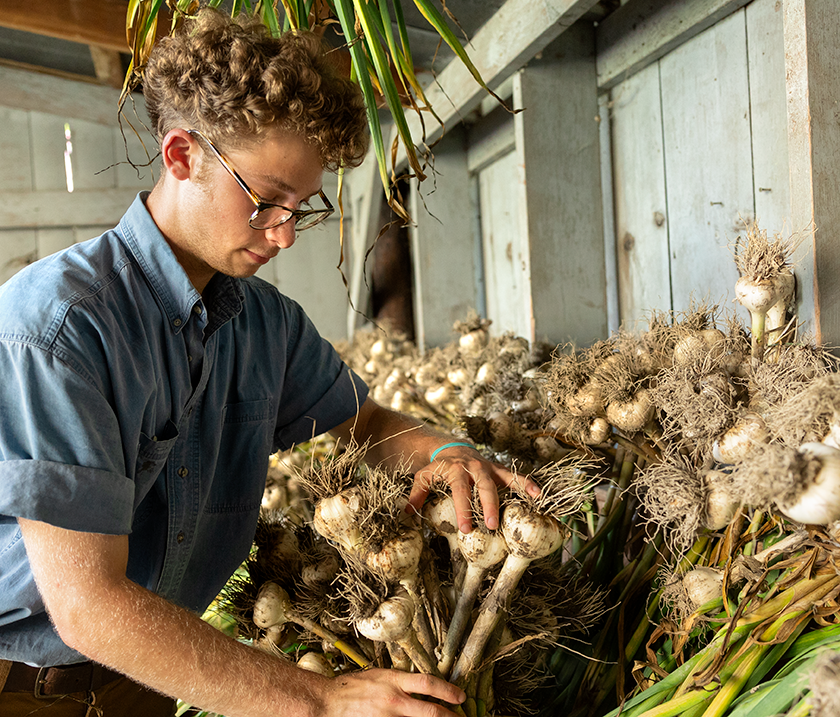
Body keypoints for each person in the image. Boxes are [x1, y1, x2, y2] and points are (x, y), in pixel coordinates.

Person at [0, 8, 538, 716]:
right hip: (23, 687)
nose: (283, 235)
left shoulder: (263, 324)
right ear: (182, 156)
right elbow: (89, 605)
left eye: (301, 208)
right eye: (265, 201)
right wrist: (322, 699)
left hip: (147, 678)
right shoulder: (62, 328)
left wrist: (443, 448)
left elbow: (365, 419)